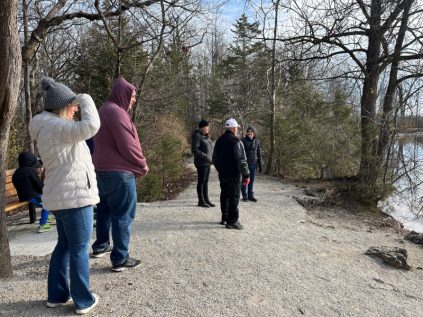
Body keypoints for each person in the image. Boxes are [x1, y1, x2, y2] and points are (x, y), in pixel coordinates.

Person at [29, 76, 100, 315]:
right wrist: (84, 97)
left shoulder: (47, 126)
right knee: (79, 248)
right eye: (72, 106)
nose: (75, 110)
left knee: (65, 246)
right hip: (74, 198)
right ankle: (83, 300)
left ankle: (57, 295)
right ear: (63, 106)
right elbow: (91, 126)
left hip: (60, 198)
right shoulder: (58, 127)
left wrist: (75, 101)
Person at [91, 78, 148, 272]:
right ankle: (120, 258)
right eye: (132, 96)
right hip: (119, 174)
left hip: (101, 171)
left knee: (105, 210)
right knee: (123, 215)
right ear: (122, 94)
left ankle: (101, 246)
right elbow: (128, 146)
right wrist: (142, 164)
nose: (133, 100)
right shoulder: (117, 113)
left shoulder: (103, 110)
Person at [212, 118, 250, 230]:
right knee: (234, 196)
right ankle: (232, 221)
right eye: (237, 128)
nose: (237, 130)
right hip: (233, 174)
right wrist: (246, 174)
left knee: (224, 195)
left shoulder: (219, 141)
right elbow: (242, 160)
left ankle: (224, 218)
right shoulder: (236, 141)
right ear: (233, 128)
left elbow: (214, 159)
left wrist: (220, 169)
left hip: (223, 174)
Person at [12, 151, 54, 233]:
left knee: (45, 201)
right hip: (32, 195)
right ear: (30, 161)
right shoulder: (31, 171)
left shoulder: (17, 172)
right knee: (47, 204)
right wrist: (45, 191)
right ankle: (43, 225)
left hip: (23, 196)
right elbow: (38, 185)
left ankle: (46, 217)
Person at [191, 119, 215, 208]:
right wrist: (206, 156)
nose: (208, 128)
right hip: (201, 163)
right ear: (202, 127)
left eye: (208, 126)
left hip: (207, 163)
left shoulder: (205, 136)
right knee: (201, 182)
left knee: (205, 182)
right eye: (207, 126)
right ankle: (201, 201)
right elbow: (194, 150)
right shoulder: (197, 136)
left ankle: (206, 200)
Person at [241, 126, 262, 202]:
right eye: (249, 132)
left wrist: (260, 166)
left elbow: (258, 154)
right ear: (247, 133)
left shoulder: (257, 141)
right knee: (244, 180)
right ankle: (244, 195)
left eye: (251, 132)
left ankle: (250, 195)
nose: (250, 133)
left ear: (254, 133)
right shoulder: (243, 141)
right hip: (245, 164)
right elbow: (240, 153)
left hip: (253, 164)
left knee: (251, 180)